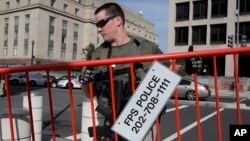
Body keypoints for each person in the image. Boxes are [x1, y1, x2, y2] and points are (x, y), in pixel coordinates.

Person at [80, 3, 201, 140]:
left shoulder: (145, 47)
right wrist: (85, 81)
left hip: (141, 121)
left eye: (102, 23)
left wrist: (187, 67)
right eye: (97, 25)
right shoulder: (98, 53)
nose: (99, 29)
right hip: (111, 119)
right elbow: (89, 94)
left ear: (118, 20)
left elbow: (170, 68)